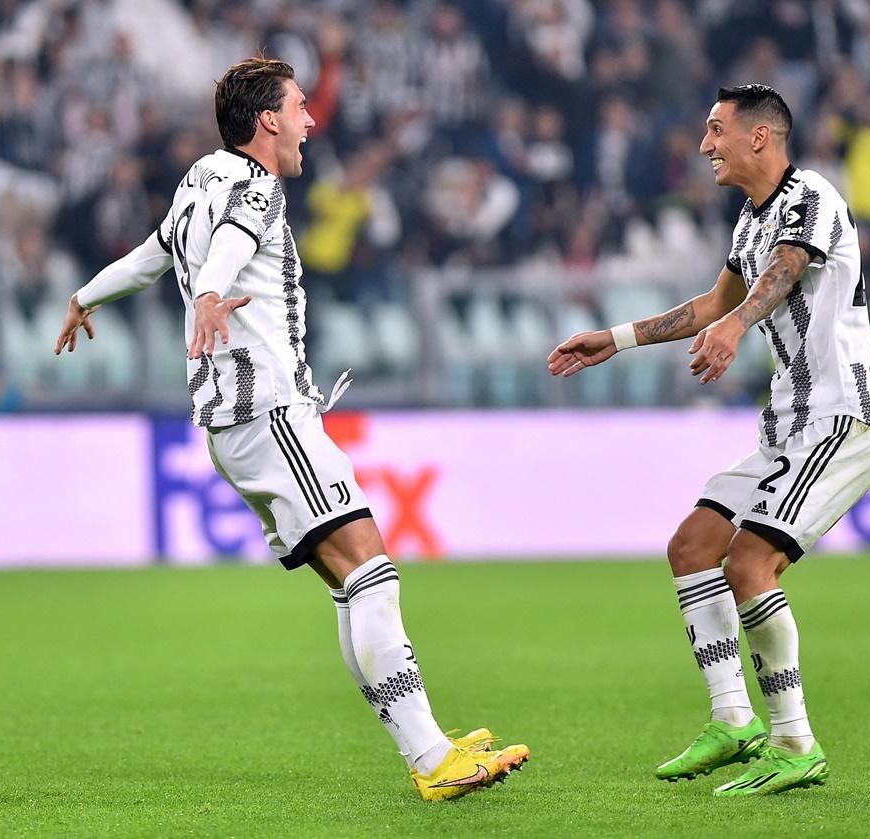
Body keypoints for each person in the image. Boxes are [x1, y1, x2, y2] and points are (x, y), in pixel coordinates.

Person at [54, 57, 529, 801]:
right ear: (268, 120)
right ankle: (432, 757)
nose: (311, 121)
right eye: (301, 107)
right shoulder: (253, 185)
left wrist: (86, 294)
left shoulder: (196, 180)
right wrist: (211, 292)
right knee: (372, 570)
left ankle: (427, 745)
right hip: (266, 413)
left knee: (352, 584)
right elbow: (229, 249)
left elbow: (151, 257)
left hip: (231, 425)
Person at [548, 84, 870, 796]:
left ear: (760, 137)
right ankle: (734, 719)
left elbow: (785, 271)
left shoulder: (813, 197)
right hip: (786, 429)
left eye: (715, 131)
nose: (705, 145)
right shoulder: (748, 220)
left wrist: (735, 328)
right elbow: (713, 303)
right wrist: (614, 339)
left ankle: (795, 739)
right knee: (692, 547)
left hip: (837, 420)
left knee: (748, 563)